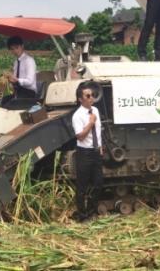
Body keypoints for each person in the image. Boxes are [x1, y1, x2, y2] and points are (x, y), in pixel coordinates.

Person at [71, 81, 104, 222]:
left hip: (95, 152)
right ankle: (82, 215)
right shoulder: (77, 116)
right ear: (80, 99)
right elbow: (80, 136)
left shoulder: (95, 111)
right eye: (88, 95)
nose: (91, 98)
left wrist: (100, 147)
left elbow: (98, 131)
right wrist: (90, 123)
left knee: (98, 183)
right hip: (84, 153)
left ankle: (92, 211)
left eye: (93, 95)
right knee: (82, 185)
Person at [0, 36, 38, 107]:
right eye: (12, 49)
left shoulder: (29, 61)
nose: (15, 51)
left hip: (29, 94)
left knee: (5, 107)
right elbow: (15, 82)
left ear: (22, 46)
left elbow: (30, 81)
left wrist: (17, 80)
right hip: (18, 93)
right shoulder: (16, 62)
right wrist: (10, 79)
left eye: (16, 48)